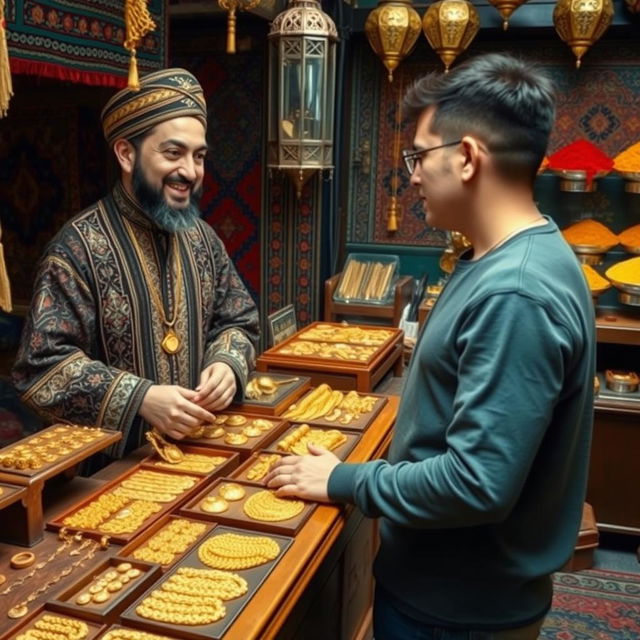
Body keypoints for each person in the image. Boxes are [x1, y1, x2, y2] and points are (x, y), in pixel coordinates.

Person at [266, 53, 595, 639]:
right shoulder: (506, 257)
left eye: (419, 156)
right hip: (456, 592)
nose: (411, 175)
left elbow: (477, 483)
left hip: (458, 610)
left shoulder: (515, 293)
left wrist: (347, 481)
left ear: (467, 157)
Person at [11, 68, 259, 459]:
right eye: (173, 153)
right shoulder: (77, 250)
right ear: (127, 154)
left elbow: (238, 320)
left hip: (200, 453)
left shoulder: (203, 239)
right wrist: (140, 397)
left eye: (199, 157)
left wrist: (227, 365)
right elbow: (39, 370)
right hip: (109, 474)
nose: (190, 172)